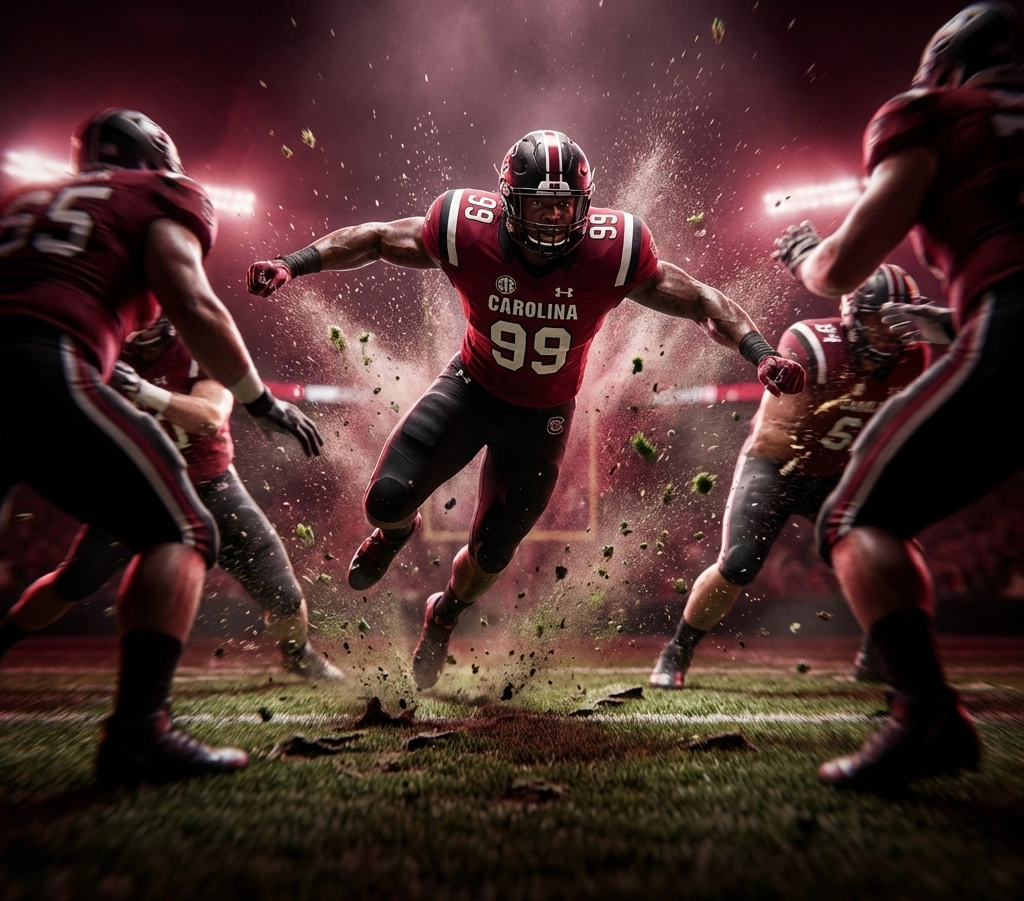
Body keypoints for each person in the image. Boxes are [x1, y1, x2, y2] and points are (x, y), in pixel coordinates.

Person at [248, 129, 806, 690]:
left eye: (564, 206)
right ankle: (395, 535)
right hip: (470, 388)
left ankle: (442, 615)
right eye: (540, 206)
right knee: (385, 501)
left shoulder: (615, 250)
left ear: (585, 206)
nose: (552, 221)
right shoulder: (464, 226)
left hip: (542, 419)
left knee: (490, 556)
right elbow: (375, 238)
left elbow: (700, 299)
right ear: (508, 203)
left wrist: (758, 352)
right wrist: (294, 264)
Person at [0, 109, 322, 785]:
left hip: (202, 468)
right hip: (47, 366)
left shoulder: (28, 202)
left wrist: (134, 389)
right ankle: (140, 733)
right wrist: (265, 404)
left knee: (272, 578)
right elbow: (192, 299)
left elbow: (205, 414)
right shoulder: (155, 206)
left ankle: (300, 656)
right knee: (171, 534)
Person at [773, 0, 1024, 789]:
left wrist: (810, 257)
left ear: (947, 66)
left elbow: (845, 267)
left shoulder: (938, 112)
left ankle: (925, 716)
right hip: (996, 316)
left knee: (857, 516)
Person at [0, 317, 341, 682]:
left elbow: (210, 418)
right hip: (134, 487)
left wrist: (142, 391)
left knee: (283, 595)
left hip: (210, 486)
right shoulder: (97, 347)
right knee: (72, 582)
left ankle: (297, 654)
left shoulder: (201, 342)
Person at [649, 265, 929, 690]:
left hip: (839, 471)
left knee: (897, 554)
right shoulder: (813, 343)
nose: (893, 332)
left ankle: (880, 649)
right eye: (881, 319)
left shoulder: (914, 358)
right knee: (738, 564)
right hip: (777, 466)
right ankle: (678, 649)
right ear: (854, 315)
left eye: (900, 320)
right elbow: (782, 434)